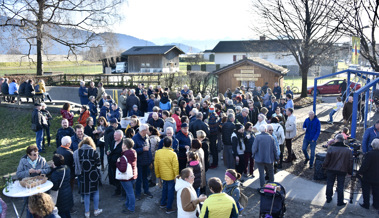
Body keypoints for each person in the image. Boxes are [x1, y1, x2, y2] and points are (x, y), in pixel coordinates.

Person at [73, 137, 103, 218]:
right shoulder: (93, 152)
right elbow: (98, 163)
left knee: (86, 194)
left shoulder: (78, 152)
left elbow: (74, 164)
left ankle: (87, 212)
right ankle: (96, 210)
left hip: (83, 176)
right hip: (93, 176)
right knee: (96, 192)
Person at [322, 134, 353, 206]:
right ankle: (340, 202)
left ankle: (328, 198)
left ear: (336, 140)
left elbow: (326, 160)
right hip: (342, 170)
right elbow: (350, 162)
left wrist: (324, 167)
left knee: (330, 183)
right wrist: (349, 171)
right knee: (340, 185)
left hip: (331, 169)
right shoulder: (348, 150)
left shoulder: (331, 148)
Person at [154, 136, 179, 214]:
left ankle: (163, 203)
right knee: (171, 191)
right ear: (171, 144)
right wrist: (176, 177)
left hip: (162, 175)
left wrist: (158, 176)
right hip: (171, 176)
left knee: (164, 189)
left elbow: (156, 165)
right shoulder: (173, 154)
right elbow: (175, 167)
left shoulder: (158, 152)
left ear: (163, 143)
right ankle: (169, 208)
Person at [116, 138, 138, 214]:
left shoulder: (124, 155)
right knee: (130, 192)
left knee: (130, 193)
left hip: (126, 178)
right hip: (133, 175)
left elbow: (122, 169)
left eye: (122, 144)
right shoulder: (133, 152)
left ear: (125, 146)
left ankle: (131, 208)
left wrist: (118, 163)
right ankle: (127, 204)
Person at [133, 124, 153, 200]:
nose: (148, 131)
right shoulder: (135, 138)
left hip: (146, 162)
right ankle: (138, 194)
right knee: (138, 179)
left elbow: (149, 149)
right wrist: (142, 149)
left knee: (146, 177)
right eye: (147, 130)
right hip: (139, 163)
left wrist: (150, 160)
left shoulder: (147, 137)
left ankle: (146, 191)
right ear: (143, 131)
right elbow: (132, 151)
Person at [50, 154, 73, 218]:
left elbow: (55, 187)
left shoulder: (55, 173)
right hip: (68, 192)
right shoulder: (67, 168)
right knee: (67, 212)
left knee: (61, 213)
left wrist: (54, 169)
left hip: (60, 196)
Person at [359, 138, 379, 210]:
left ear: (372, 145)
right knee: (376, 191)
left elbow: (365, 165)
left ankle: (366, 204)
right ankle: (376, 205)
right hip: (377, 177)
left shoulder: (369, 154)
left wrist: (360, 172)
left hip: (368, 176)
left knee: (366, 191)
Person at [108, 130, 124, 196]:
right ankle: (118, 190)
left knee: (121, 178)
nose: (114, 137)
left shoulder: (123, 143)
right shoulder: (113, 142)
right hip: (113, 163)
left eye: (115, 136)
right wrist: (109, 152)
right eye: (114, 135)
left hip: (120, 164)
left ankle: (122, 191)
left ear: (120, 136)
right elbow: (111, 150)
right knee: (115, 177)